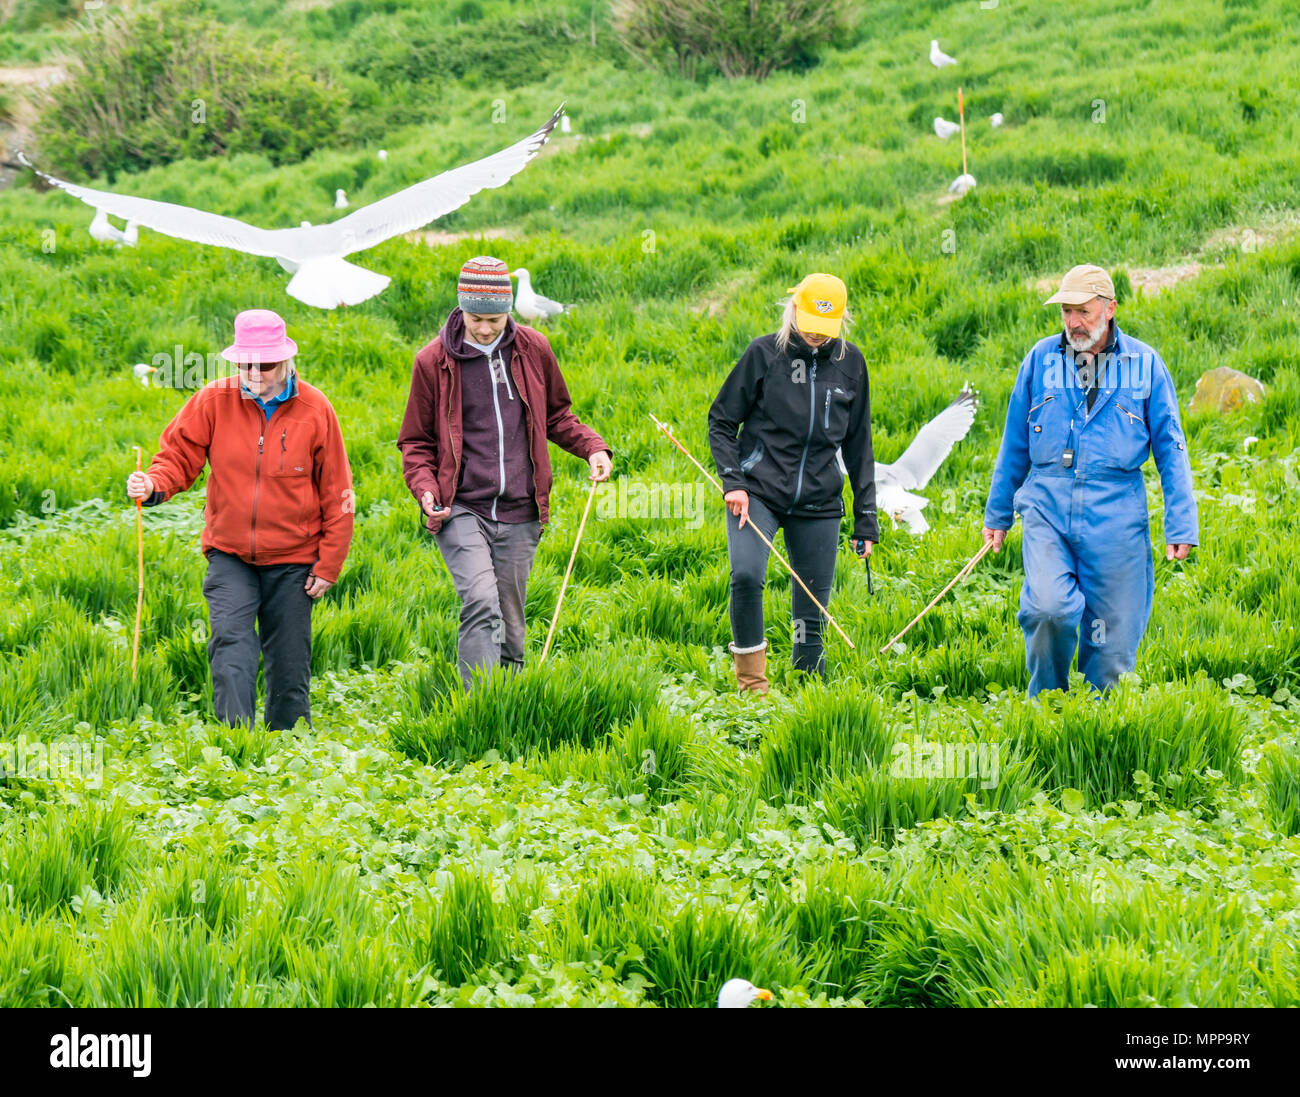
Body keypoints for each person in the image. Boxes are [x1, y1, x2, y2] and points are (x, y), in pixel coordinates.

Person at [126, 309, 354, 729]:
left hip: (294, 559)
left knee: (289, 660)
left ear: (285, 361)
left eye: (264, 364)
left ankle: (288, 747)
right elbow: (178, 458)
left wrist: (329, 564)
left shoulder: (315, 409)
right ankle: (239, 744)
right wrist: (153, 484)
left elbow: (338, 492)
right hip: (230, 554)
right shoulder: (213, 401)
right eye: (245, 363)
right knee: (230, 644)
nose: (254, 373)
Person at [981, 264, 1198, 697]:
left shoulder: (1146, 365)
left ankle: (1096, 724)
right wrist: (998, 512)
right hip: (1048, 507)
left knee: (1113, 646)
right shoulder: (1040, 360)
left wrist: (1181, 523)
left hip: (1115, 512)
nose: (1073, 322)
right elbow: (1014, 444)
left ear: (1110, 308)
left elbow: (1171, 449)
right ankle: (1048, 706)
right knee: (1048, 610)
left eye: (1082, 311)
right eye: (1066, 311)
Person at [398, 256, 612, 690]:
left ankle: (507, 703)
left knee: (511, 620)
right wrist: (425, 490)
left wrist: (592, 448)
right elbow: (415, 443)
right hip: (460, 506)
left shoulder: (534, 349)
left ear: (509, 310)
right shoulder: (432, 361)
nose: (484, 328)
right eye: (476, 318)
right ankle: (477, 708)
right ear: (461, 310)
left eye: (495, 318)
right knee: (481, 602)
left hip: (521, 508)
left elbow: (557, 416)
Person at [708, 273, 877, 693]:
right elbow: (722, 421)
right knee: (746, 575)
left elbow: (859, 446)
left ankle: (807, 690)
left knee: (812, 609)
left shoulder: (851, 364)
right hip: (758, 491)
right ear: (794, 310)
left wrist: (866, 519)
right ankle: (752, 688)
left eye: (826, 328)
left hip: (819, 500)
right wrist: (734, 481)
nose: (817, 335)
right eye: (809, 324)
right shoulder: (764, 355)